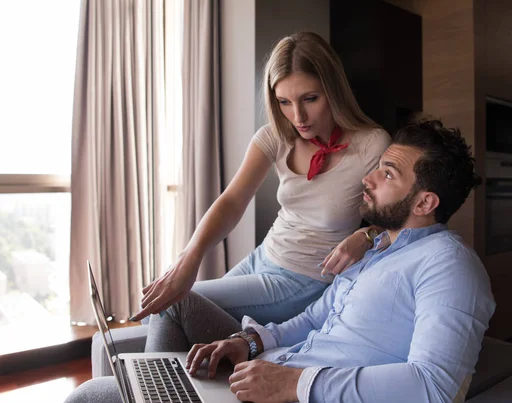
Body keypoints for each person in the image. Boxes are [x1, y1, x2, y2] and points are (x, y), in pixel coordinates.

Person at [62, 119, 496, 403]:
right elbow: (315, 319)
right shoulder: (376, 247)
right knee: (174, 320)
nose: (369, 179)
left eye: (388, 173)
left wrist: (296, 384)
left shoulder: (449, 267)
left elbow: (433, 392)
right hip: (265, 377)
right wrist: (248, 341)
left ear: (424, 203)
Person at [131, 31, 390, 325]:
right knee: (161, 309)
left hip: (304, 278)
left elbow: (398, 216)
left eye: (310, 98)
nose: (298, 116)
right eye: (284, 102)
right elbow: (232, 200)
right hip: (263, 256)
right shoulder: (275, 137)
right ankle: (155, 371)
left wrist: (366, 235)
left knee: (172, 307)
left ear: (334, 90)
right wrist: (188, 258)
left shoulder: (373, 143)